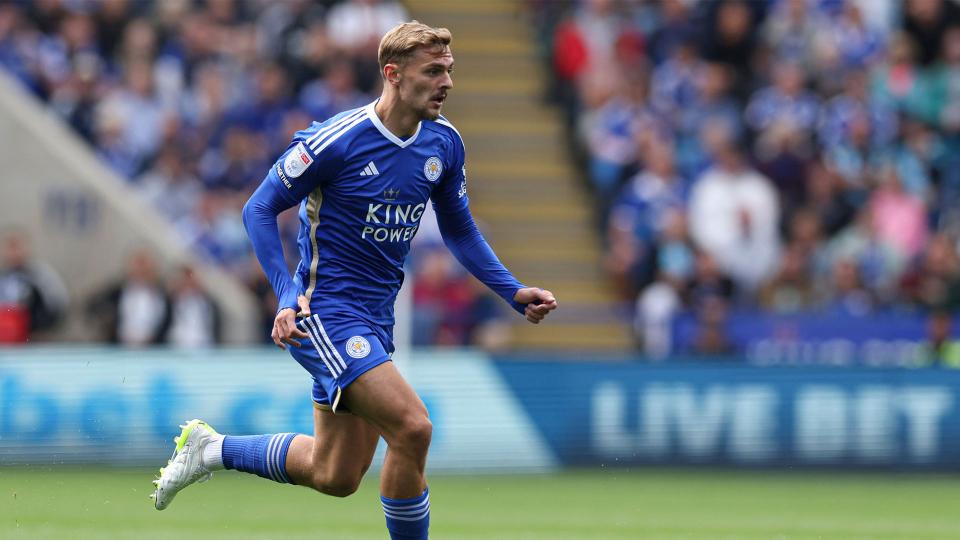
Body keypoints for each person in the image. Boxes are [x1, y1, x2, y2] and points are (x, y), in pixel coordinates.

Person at [150, 21, 558, 540]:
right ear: (393, 73)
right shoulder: (337, 140)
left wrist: (511, 290)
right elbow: (259, 208)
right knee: (413, 427)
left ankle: (211, 449)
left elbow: (458, 229)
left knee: (335, 474)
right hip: (324, 312)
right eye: (433, 71)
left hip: (376, 319)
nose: (446, 83)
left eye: (449, 71)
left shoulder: (444, 144)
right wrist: (286, 293)